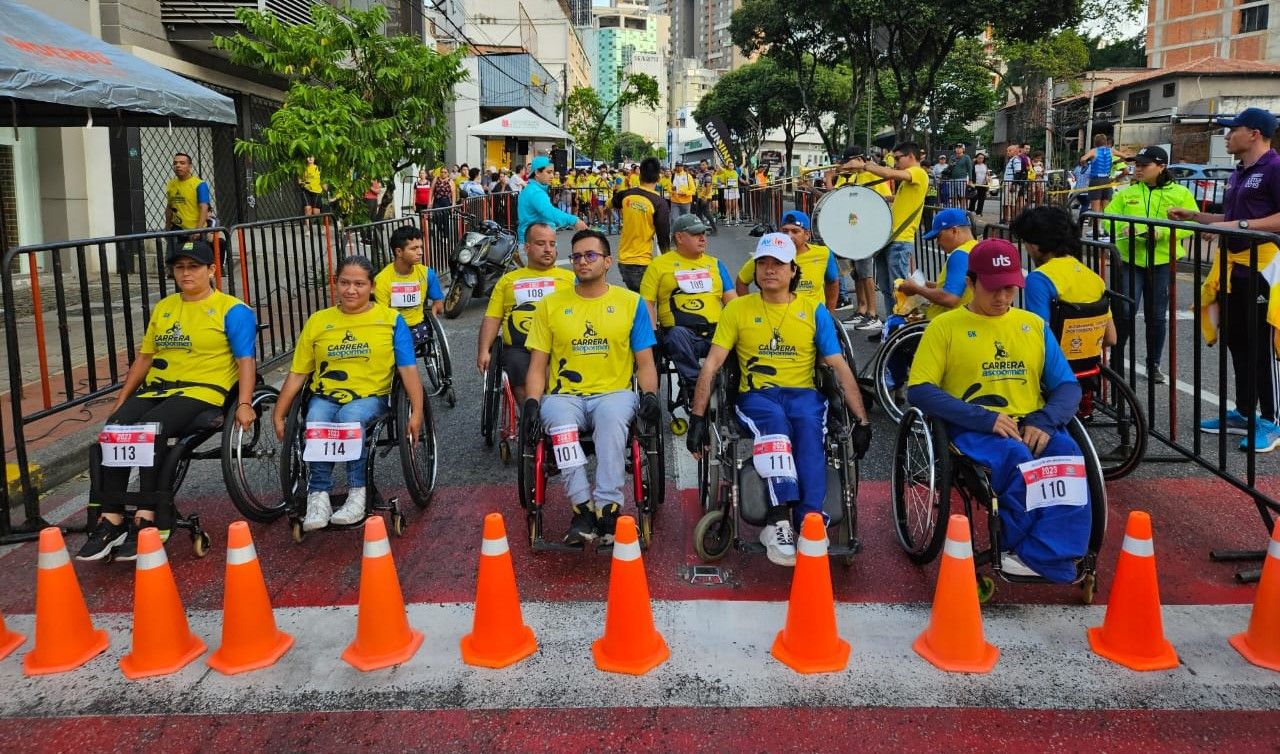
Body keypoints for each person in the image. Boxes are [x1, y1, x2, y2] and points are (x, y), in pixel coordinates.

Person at [906, 238, 1090, 582]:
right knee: (1016, 459)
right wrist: (985, 419)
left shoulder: (1032, 325)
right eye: (993, 288)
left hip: (1032, 420)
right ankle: (1030, 551)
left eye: (1010, 288)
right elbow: (920, 390)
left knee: (1066, 455)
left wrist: (1046, 420)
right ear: (971, 283)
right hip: (973, 425)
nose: (1003, 298)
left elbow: (1067, 385)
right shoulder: (944, 327)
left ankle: (1049, 551)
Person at [685, 233, 871, 566]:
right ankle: (778, 520)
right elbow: (712, 364)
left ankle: (811, 520)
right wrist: (698, 418)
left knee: (809, 431)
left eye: (778, 264)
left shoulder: (813, 311)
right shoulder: (738, 309)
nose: (769, 270)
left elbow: (838, 365)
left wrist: (862, 419)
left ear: (792, 270)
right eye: (763, 264)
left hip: (803, 394)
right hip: (757, 397)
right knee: (776, 426)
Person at [78, 240, 257, 561]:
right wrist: (121, 401)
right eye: (180, 267)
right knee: (115, 428)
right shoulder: (164, 308)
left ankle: (148, 514)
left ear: (212, 270)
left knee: (151, 429)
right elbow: (145, 358)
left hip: (202, 391)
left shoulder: (233, 310)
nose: (186, 273)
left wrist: (244, 403)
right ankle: (112, 517)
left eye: (194, 267)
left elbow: (246, 360)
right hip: (158, 390)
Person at [524, 229, 660, 545]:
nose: (582, 262)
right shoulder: (550, 305)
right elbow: (537, 365)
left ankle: (608, 508)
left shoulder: (631, 303)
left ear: (607, 261)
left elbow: (646, 363)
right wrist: (532, 401)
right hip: (565, 396)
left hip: (614, 393)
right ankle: (582, 507)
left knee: (612, 424)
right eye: (576, 256)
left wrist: (650, 395)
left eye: (590, 255)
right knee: (560, 425)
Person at [274, 256, 426, 531]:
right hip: (325, 394)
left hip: (371, 396)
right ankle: (318, 496)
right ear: (336, 283)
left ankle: (358, 493)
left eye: (359, 284)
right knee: (315, 420)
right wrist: (279, 412)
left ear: (372, 286)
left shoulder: (390, 320)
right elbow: (298, 373)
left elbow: (407, 369)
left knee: (349, 418)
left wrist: (417, 411)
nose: (351, 290)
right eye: (344, 283)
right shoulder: (319, 321)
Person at [1169, 107, 1280, 451]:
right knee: (1237, 341)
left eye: (1234, 130)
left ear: (1255, 134)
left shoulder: (1274, 168)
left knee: (1263, 346)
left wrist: (1241, 227)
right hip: (1233, 269)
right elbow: (1232, 217)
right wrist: (1200, 217)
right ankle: (1245, 411)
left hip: (1263, 267)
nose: (1227, 136)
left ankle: (1272, 420)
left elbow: (1261, 220)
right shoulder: (1239, 172)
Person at [1100, 146, 1197, 384]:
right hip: (1130, 261)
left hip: (1162, 262)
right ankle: (1116, 361)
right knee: (1123, 312)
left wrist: (1160, 233)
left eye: (1144, 165)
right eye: (1137, 165)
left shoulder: (1180, 193)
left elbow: (1192, 222)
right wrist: (1122, 228)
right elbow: (1106, 220)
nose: (1138, 169)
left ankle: (1153, 363)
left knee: (1156, 316)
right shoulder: (1127, 192)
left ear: (1161, 166)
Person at [640, 213, 736, 399]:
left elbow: (732, 301)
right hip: (681, 333)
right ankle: (694, 385)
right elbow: (647, 302)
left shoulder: (716, 264)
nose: (703, 238)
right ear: (679, 237)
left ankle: (734, 394)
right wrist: (653, 332)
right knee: (676, 335)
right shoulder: (659, 265)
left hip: (716, 332)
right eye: (696, 234)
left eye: (704, 233)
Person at [477, 222, 576, 402]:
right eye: (541, 243)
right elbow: (493, 317)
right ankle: (530, 420)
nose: (548, 249)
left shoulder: (571, 279)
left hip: (561, 345)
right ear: (527, 247)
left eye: (552, 244)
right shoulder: (508, 281)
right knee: (520, 373)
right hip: (520, 348)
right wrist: (484, 350)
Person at [840, 142, 930, 335]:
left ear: (911, 157)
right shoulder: (908, 182)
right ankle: (892, 328)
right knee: (889, 289)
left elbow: (890, 174)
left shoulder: (918, 173)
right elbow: (899, 199)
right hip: (889, 240)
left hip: (900, 240)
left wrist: (863, 166)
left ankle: (904, 331)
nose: (895, 163)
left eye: (898, 159)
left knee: (899, 289)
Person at [1012, 206, 1117, 346]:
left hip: (1054, 366)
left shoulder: (1039, 279)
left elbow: (1039, 339)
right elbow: (1110, 338)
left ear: (1034, 244)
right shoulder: (1095, 279)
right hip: (1089, 366)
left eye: (1025, 243)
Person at [832, 144, 894, 328]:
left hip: (866, 231)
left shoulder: (873, 175)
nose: (846, 165)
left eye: (849, 161)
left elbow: (888, 198)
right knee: (856, 273)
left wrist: (867, 197)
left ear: (859, 159)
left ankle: (873, 314)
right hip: (851, 230)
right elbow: (835, 197)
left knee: (866, 274)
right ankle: (861, 309)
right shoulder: (849, 177)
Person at [734, 209, 839, 314]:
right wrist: (751, 310)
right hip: (776, 317)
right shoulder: (768, 254)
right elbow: (742, 281)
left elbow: (832, 282)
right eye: (785, 231)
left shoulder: (823, 254)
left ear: (807, 234)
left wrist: (830, 313)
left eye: (795, 231)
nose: (789, 236)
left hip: (813, 318)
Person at [374, 226, 445, 349]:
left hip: (419, 327)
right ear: (399, 252)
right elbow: (383, 316)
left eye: (420, 247)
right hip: (394, 330)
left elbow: (438, 304)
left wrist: (436, 308)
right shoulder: (382, 280)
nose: (420, 252)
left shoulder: (427, 273)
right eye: (414, 248)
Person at [612, 157, 671, 292]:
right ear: (658, 178)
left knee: (637, 302)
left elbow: (613, 201)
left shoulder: (626, 194)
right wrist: (669, 261)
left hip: (623, 261)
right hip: (642, 263)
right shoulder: (659, 203)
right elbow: (663, 237)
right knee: (647, 305)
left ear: (639, 176)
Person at [517, 155, 587, 245]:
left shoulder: (532, 189)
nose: (552, 176)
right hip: (536, 244)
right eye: (549, 172)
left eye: (553, 172)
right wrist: (574, 220)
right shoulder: (536, 192)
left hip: (536, 242)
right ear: (537, 172)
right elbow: (549, 211)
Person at [163, 152, 211, 235]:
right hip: (177, 229)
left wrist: (198, 231)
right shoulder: (171, 184)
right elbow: (169, 207)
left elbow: (204, 208)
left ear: (190, 167)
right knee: (173, 248)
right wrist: (167, 227)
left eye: (182, 163)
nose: (178, 165)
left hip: (196, 229)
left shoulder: (200, 184)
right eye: (175, 163)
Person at [1079, 133, 1115, 216]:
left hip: (1096, 180)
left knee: (1096, 211)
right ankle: (1106, 227)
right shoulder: (1111, 150)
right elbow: (1124, 156)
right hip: (1107, 180)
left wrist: (1085, 164)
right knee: (1106, 210)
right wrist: (1116, 162)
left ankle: (1097, 227)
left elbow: (1083, 159)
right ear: (1105, 142)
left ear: (1095, 143)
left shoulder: (1094, 151)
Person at [299, 156, 324, 222]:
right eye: (308, 157)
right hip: (306, 190)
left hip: (317, 191)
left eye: (312, 157)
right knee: (307, 209)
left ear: (315, 158)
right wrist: (304, 183)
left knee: (316, 212)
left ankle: (320, 227)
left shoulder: (319, 168)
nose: (310, 158)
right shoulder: (303, 168)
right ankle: (309, 230)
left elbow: (323, 180)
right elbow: (299, 181)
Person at [950, 143, 973, 210]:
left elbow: (969, 168)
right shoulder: (952, 157)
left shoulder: (966, 157)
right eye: (957, 147)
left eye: (960, 147)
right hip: (952, 179)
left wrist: (970, 179)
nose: (958, 148)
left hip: (962, 179)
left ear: (963, 149)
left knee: (962, 196)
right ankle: (954, 210)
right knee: (953, 196)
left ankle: (963, 211)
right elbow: (949, 167)